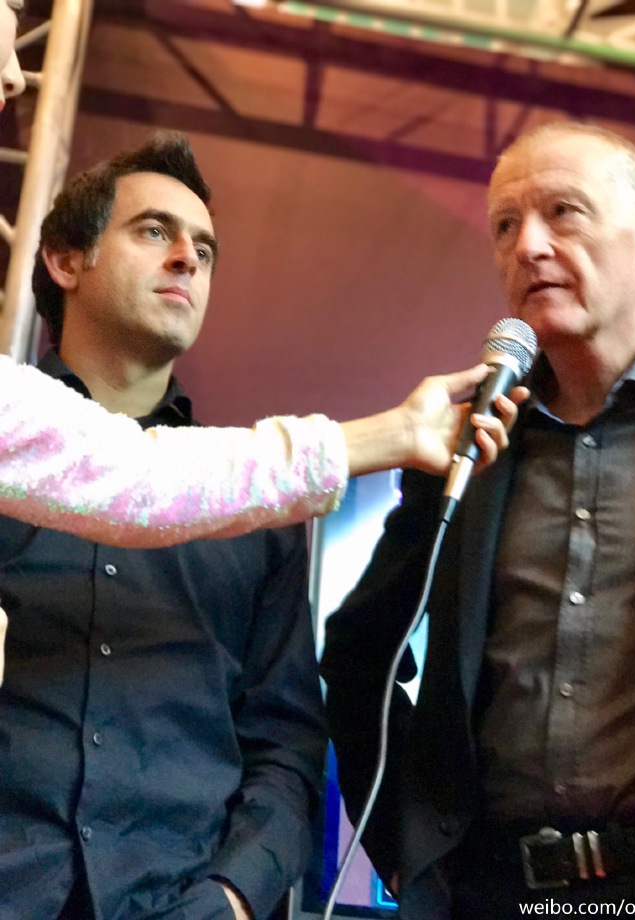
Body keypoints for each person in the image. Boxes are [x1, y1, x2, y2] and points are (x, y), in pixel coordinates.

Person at [0, 0, 521, 686]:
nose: (13, 79)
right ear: (67, 261)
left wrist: (396, 436)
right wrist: (393, 434)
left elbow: (283, 727)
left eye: (205, 251)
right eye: (153, 231)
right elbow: (137, 476)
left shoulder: (259, 516)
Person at [321, 120, 635, 918]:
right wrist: (409, 853)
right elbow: (358, 654)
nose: (529, 246)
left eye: (564, 212)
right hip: (492, 892)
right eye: (505, 225)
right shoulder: (470, 441)